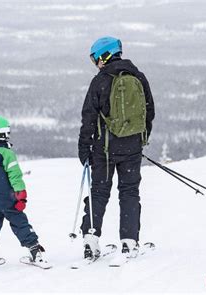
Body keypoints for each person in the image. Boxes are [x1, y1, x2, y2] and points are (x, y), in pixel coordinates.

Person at [78, 36, 155, 260]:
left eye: (95, 58)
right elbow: (149, 113)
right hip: (131, 149)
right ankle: (129, 242)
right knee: (129, 192)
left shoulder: (100, 81)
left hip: (104, 150)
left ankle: (91, 240)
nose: (96, 63)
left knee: (99, 192)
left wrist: (85, 148)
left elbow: (88, 117)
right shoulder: (138, 77)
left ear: (105, 55)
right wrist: (140, 139)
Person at [0, 115, 49, 270]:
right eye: (6, 132)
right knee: (20, 223)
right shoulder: (7, 154)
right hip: (8, 198)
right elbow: (15, 176)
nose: (8, 135)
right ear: (0, 134)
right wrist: (21, 195)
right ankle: (34, 250)